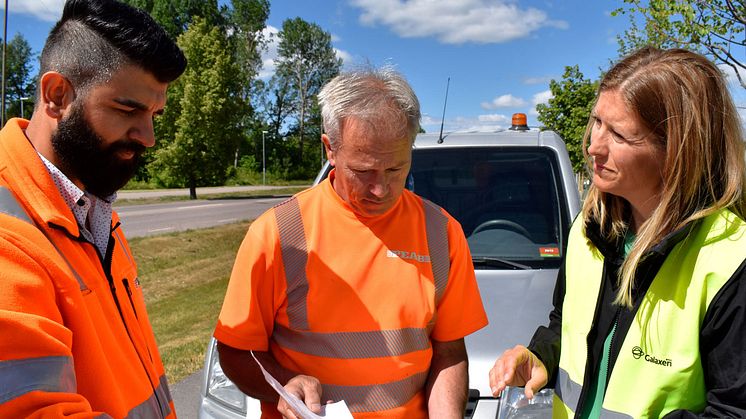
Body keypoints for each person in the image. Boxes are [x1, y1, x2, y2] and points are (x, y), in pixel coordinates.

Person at [214, 66, 488, 419]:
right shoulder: (278, 233)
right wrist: (283, 383)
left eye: (395, 170)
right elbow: (237, 352)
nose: (380, 189)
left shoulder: (442, 233)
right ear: (330, 149)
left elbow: (449, 353)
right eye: (363, 171)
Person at [488, 46, 746, 418]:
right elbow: (567, 325)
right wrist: (540, 356)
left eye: (620, 136)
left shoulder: (730, 258)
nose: (594, 146)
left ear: (677, 152)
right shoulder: (589, 229)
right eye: (597, 122)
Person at [0, 0, 186, 417]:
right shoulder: (7, 234)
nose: (149, 136)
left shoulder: (95, 216)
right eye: (128, 109)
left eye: (155, 114)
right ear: (57, 95)